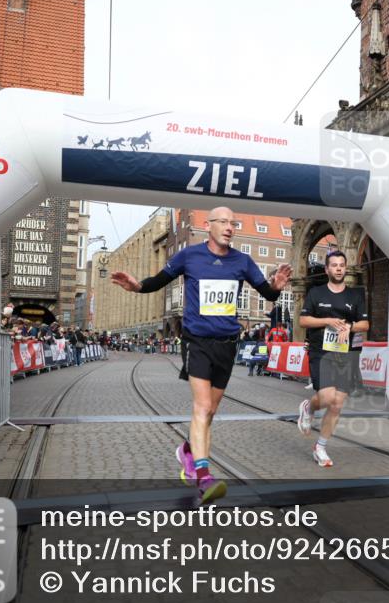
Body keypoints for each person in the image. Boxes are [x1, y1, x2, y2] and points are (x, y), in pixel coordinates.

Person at [112, 206, 292, 504]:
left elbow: (267, 294)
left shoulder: (242, 261)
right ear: (208, 225)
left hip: (227, 342)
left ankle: (187, 451)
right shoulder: (189, 256)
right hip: (196, 340)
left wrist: (275, 287)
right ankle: (204, 477)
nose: (229, 227)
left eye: (233, 222)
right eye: (223, 222)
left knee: (210, 412)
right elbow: (158, 281)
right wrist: (137, 287)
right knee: (202, 405)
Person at [296, 251, 369, 467]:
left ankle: (320, 447)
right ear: (327, 269)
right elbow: (303, 320)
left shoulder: (355, 295)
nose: (338, 268)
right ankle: (308, 408)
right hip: (321, 352)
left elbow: (365, 325)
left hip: (346, 354)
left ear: (345, 269)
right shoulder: (316, 293)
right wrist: (328, 320)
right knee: (327, 398)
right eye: (334, 265)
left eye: (342, 265)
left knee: (337, 405)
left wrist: (349, 326)